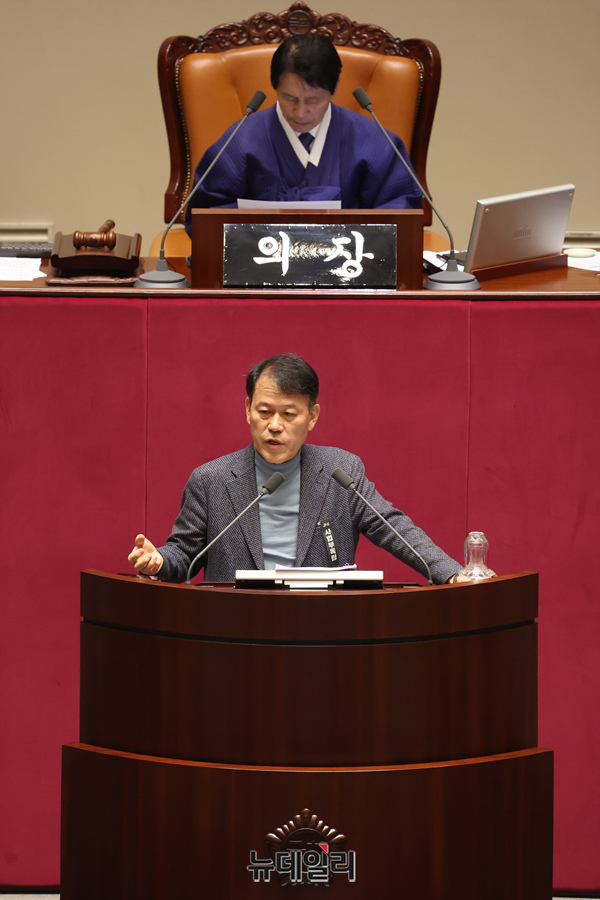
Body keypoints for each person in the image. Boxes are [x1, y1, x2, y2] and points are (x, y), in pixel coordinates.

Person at [128, 353, 463, 584]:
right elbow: (184, 554)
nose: (275, 425)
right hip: (236, 629)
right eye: (264, 412)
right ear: (247, 409)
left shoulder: (340, 471)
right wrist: (158, 561)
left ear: (312, 416)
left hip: (320, 628)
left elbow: (393, 527)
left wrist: (451, 573)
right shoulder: (210, 480)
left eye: (288, 414)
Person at [184, 33, 422, 234]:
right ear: (274, 85)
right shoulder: (241, 141)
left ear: (336, 87)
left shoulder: (374, 142)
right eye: (289, 98)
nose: (300, 112)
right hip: (259, 268)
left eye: (313, 100)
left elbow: (400, 214)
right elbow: (205, 217)